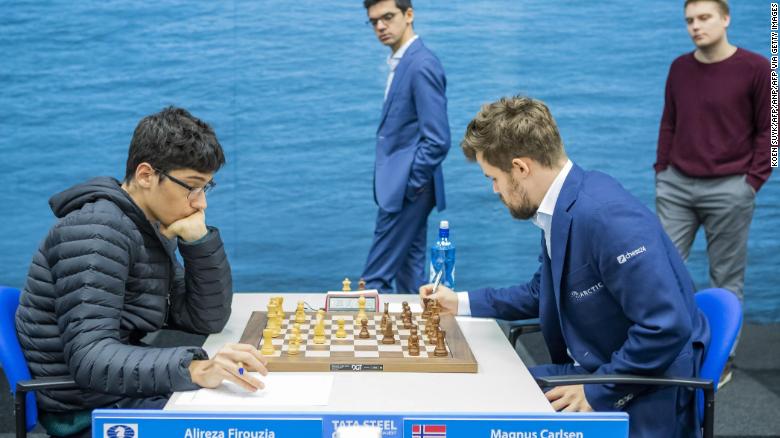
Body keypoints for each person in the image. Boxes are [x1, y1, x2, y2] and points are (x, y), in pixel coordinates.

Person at [421, 96, 710, 438]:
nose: (495, 190)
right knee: (475, 393)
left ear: (520, 167)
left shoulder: (607, 218)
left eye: (493, 178)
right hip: (595, 366)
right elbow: (541, 291)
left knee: (476, 422)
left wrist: (596, 391)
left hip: (642, 390)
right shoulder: (564, 204)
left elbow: (666, 326)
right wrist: (461, 302)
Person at [15, 107, 268, 438]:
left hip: (120, 390)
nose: (201, 203)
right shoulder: (97, 232)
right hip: (90, 411)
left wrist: (198, 242)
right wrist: (192, 367)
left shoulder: (141, 227)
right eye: (192, 187)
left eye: (206, 188)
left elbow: (204, 318)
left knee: (251, 399)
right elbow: (90, 358)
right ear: (146, 175)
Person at [654, 0, 771, 384]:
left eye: (704, 18)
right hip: (677, 186)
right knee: (660, 268)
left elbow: (769, 131)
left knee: (726, 279)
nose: (695, 26)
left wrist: (752, 182)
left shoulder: (757, 69)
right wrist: (662, 172)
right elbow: (669, 122)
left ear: (725, 19)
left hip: (730, 188)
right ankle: (666, 348)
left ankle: (722, 361)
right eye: (689, 20)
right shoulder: (678, 68)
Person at [361, 0, 451, 293]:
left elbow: (437, 139)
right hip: (410, 187)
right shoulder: (404, 62)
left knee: (373, 280)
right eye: (374, 21)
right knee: (410, 276)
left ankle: (372, 337)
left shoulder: (421, 64)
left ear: (408, 15)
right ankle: (419, 335)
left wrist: (409, 185)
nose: (380, 26)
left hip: (407, 188)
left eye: (387, 17)